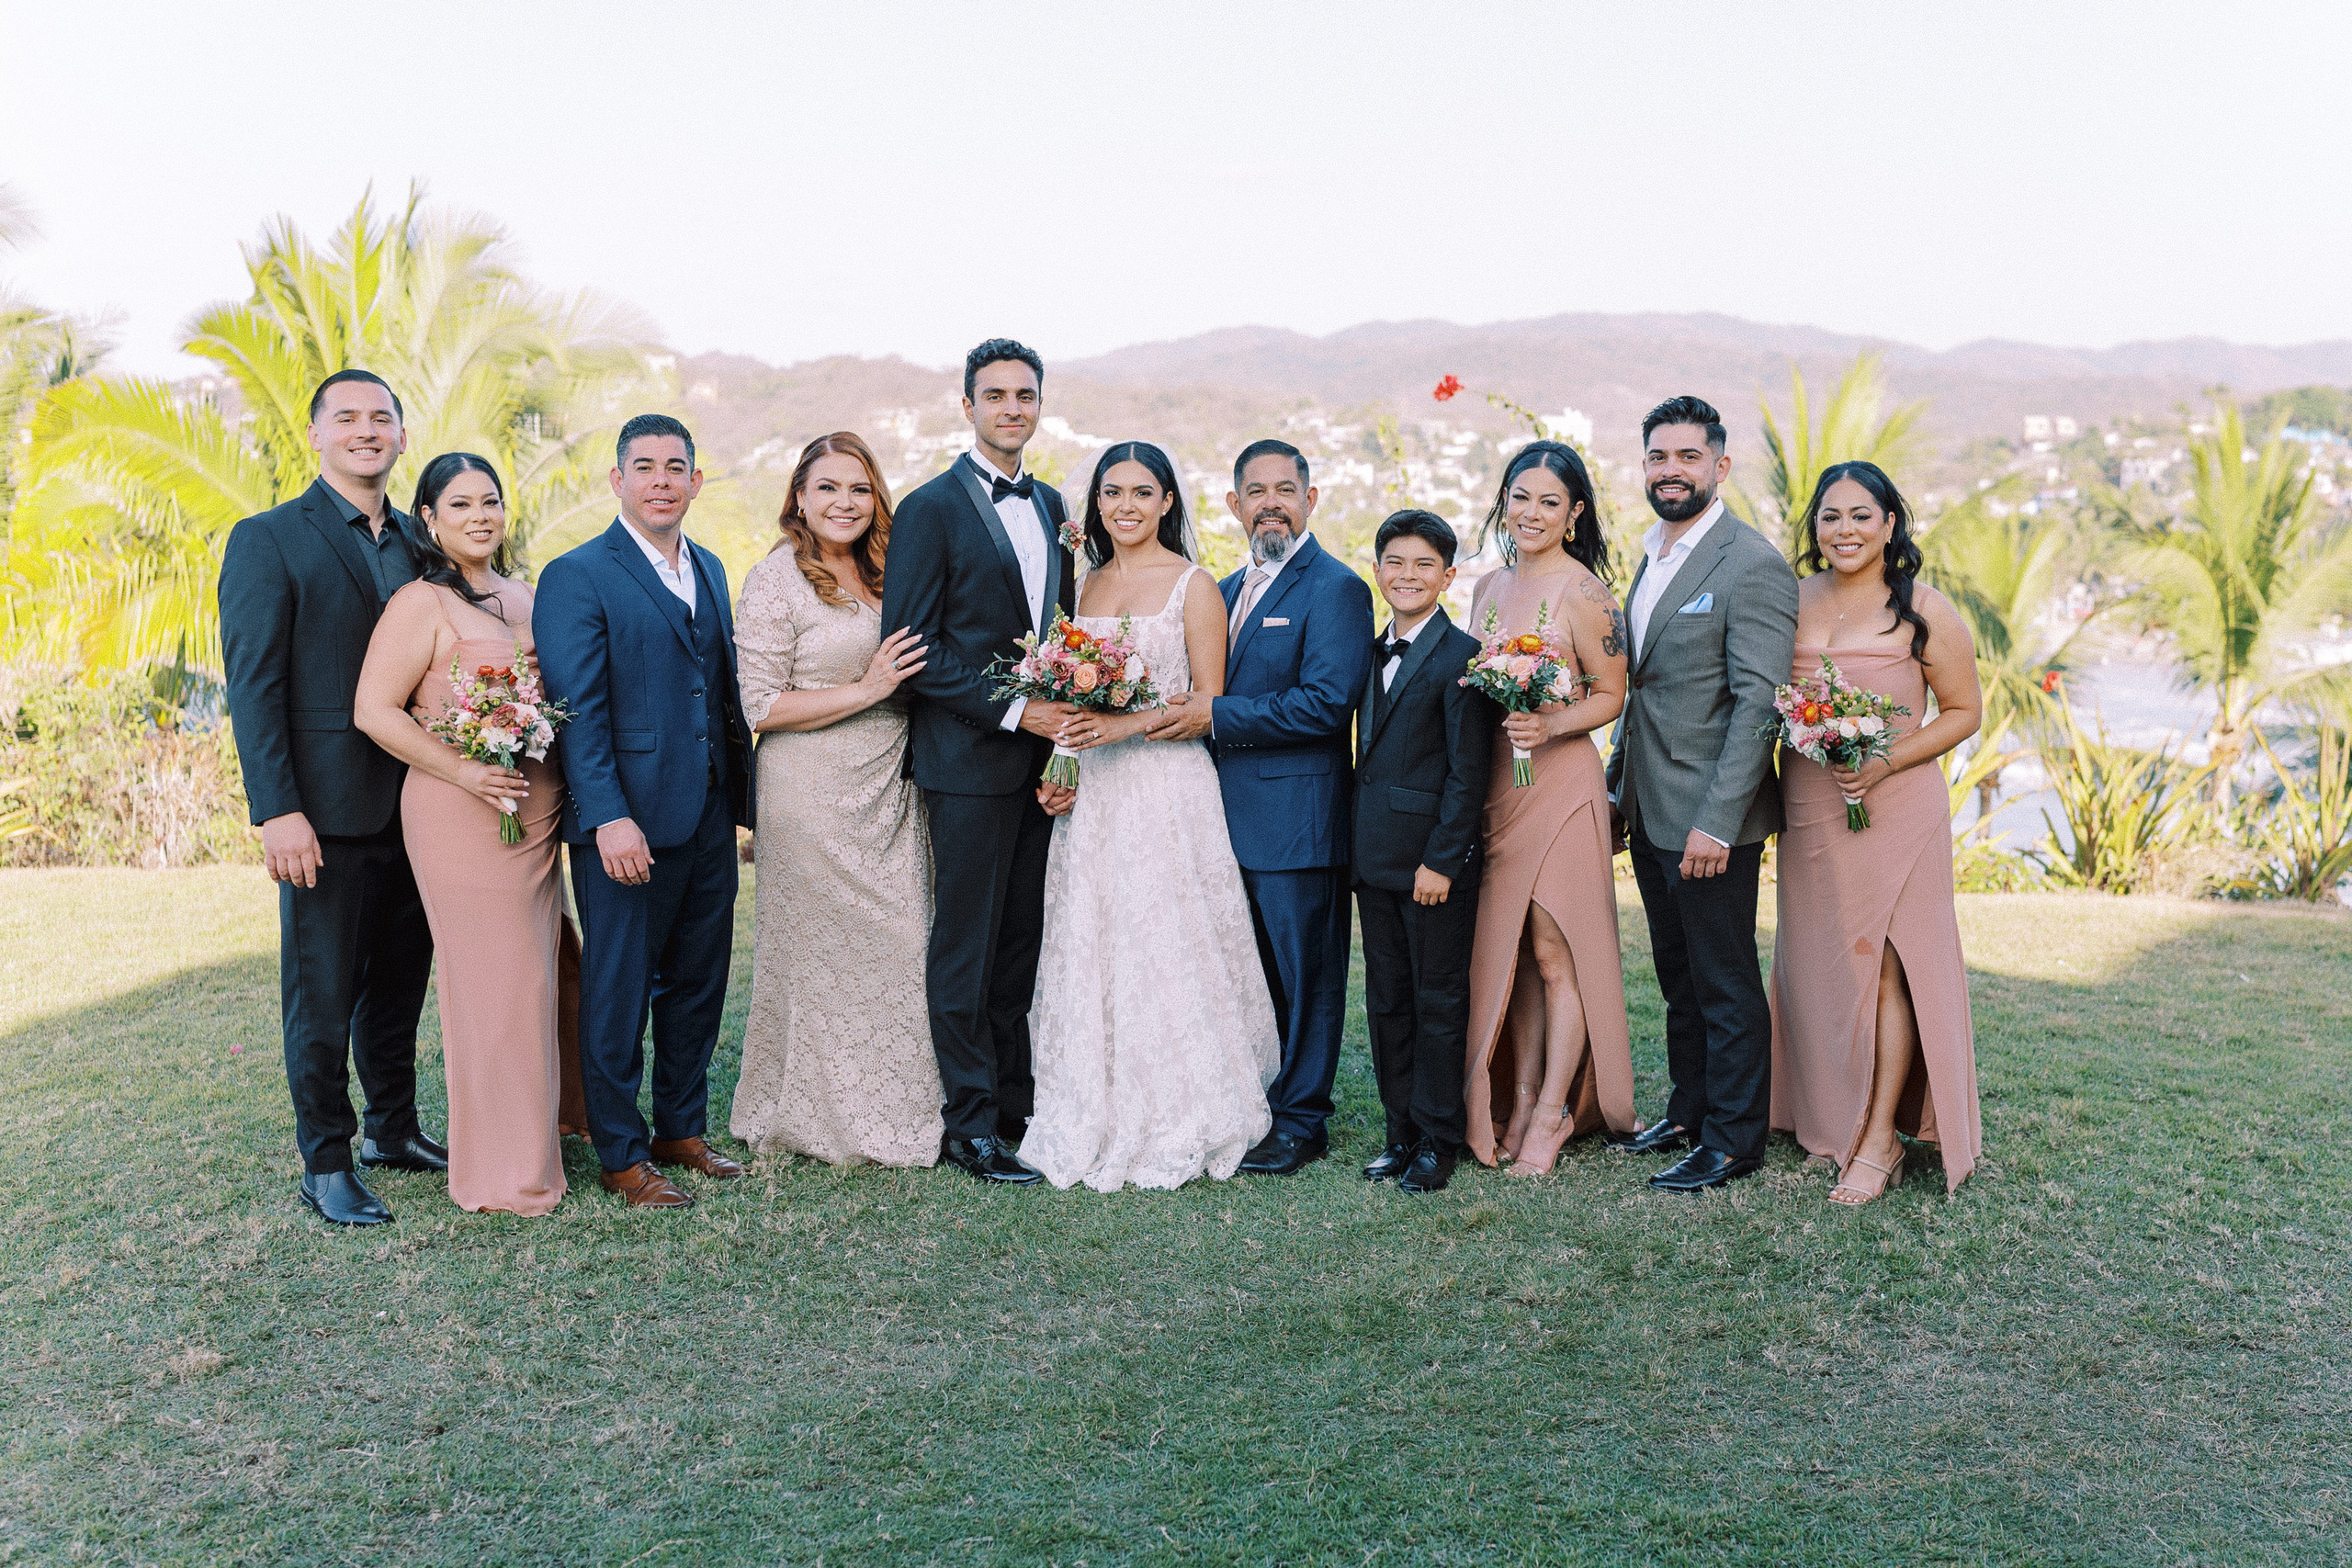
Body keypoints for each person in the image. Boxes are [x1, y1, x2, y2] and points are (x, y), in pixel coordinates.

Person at [219, 369, 444, 1226]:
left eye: (381, 417)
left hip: (419, 810)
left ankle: (394, 1129)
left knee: (397, 987)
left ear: (399, 433)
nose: (365, 430)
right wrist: (278, 809)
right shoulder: (269, 538)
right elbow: (255, 687)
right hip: (321, 815)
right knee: (320, 995)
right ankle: (326, 1161)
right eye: (346, 417)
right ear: (314, 434)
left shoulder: (421, 548)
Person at [1023, 443, 1282, 1190]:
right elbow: (1072, 697)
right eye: (1112, 492)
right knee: (1094, 935)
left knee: (1163, 936)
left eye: (1142, 491)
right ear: (1095, 502)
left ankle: (1183, 1100)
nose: (1126, 506)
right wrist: (1062, 762)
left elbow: (1206, 704)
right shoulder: (1082, 582)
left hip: (1167, 790)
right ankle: (1090, 1098)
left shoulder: (1194, 587)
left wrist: (1120, 728)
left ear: (1169, 500)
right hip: (1094, 793)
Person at [534, 414, 754, 1209]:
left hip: (707, 812)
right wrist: (606, 816)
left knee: (699, 978)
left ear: (697, 482)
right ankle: (623, 1154)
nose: (661, 479)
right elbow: (577, 709)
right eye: (644, 466)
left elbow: (717, 691)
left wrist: (741, 799)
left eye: (675, 467)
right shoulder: (578, 573)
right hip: (624, 821)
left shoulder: (714, 569)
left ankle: (680, 1129)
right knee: (620, 987)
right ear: (617, 481)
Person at [877, 339, 1079, 1184]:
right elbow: (912, 647)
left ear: (1039, 405)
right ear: (967, 406)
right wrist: (1014, 709)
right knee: (965, 945)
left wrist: (1058, 735)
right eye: (994, 395)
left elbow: (1060, 631)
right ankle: (969, 1125)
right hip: (964, 760)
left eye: (1025, 395)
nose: (1011, 408)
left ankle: (1015, 1107)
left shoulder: (1056, 502)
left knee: (1021, 943)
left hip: (1041, 768)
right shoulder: (929, 507)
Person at [1146, 439, 1374, 1176]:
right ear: (1233, 503)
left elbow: (1326, 702)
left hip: (1297, 821)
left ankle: (1303, 1118)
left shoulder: (1334, 587)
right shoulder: (1223, 584)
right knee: (1245, 973)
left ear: (1312, 498)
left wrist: (1218, 715)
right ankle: (1251, 1102)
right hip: (1218, 821)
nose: (1271, 501)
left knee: (1306, 978)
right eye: (1256, 489)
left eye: (1286, 487)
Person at [352, 453, 567, 1216]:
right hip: (459, 807)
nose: (480, 515)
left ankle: (546, 1134)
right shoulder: (420, 602)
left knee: (542, 975)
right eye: (461, 503)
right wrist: (468, 772)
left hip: (536, 805)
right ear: (430, 519)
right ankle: (502, 1172)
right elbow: (374, 711)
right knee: (495, 986)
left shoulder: (529, 593)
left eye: (491, 501)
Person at [1770, 462, 1984, 1202]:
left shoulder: (1926, 609)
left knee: (1889, 967)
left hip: (1896, 806)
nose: (1845, 530)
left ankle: (1881, 1138)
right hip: (1809, 804)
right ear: (1815, 528)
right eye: (1831, 517)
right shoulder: (1790, 601)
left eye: (1862, 515)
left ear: (1891, 525)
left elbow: (1962, 712)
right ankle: (1833, 1116)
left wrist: (1887, 758)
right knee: (1823, 964)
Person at [730, 433, 943, 1167]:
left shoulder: (894, 571)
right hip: (809, 788)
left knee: (906, 941)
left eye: (858, 488)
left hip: (890, 782)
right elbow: (759, 704)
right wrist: (869, 688)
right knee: (818, 957)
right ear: (799, 497)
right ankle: (815, 1116)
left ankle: (904, 1109)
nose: (844, 502)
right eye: (827, 488)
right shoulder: (775, 579)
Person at [1605, 396, 1800, 1192]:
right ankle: (1688, 1110)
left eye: (1688, 457)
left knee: (1723, 981)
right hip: (1652, 807)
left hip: (1712, 820)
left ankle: (1733, 1138)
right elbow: (1644, 689)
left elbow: (1760, 703)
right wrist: (1619, 790)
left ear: (1721, 466)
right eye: (1658, 457)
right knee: (1677, 974)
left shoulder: (1750, 563)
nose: (1670, 470)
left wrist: (1718, 825)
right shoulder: (1651, 556)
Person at [1460, 444, 1637, 1177]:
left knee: (1554, 953)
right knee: (1515, 958)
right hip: (1499, 787)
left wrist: (1550, 724)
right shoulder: (1487, 586)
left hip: (1561, 786)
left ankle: (1554, 1108)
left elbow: (1611, 695)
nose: (1531, 513)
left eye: (1548, 502)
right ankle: (1522, 1089)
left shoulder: (1587, 593)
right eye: (1520, 497)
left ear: (1575, 513)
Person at [1351, 510, 1495, 1195]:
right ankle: (1398, 1129)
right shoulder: (1368, 646)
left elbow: (1469, 772)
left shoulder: (1463, 656)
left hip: (1431, 866)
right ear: (1377, 569)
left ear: (1448, 575)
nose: (1407, 576)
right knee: (1387, 999)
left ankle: (1439, 1137)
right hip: (1373, 857)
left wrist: (1443, 859)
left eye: (1423, 565)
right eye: (1395, 563)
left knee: (1437, 999)